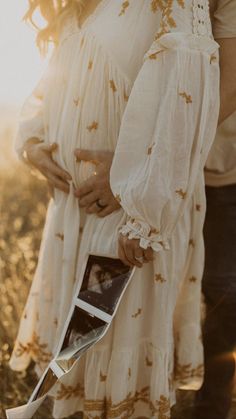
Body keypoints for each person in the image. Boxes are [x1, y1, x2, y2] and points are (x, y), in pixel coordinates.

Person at [9, 1, 220, 418]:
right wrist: (32, 141)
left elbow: (188, 99)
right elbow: (56, 80)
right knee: (76, 365)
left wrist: (140, 201)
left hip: (131, 211)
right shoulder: (80, 5)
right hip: (74, 213)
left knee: (113, 378)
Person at [193, 2, 236, 417]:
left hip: (222, 166)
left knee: (221, 286)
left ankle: (213, 400)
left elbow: (230, 83)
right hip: (150, 162)